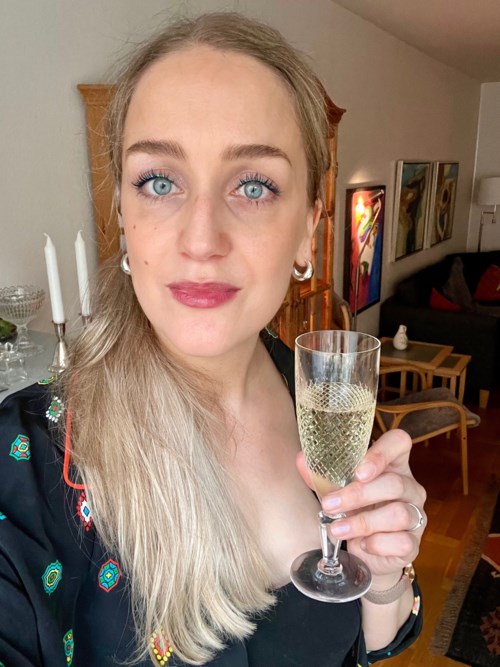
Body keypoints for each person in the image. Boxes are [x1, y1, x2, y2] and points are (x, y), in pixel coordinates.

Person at [0, 12, 426, 667]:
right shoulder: (24, 463)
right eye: (159, 182)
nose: (201, 240)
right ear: (124, 214)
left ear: (308, 228)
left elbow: (371, 644)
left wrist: (386, 575)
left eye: (253, 186)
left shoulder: (329, 408)